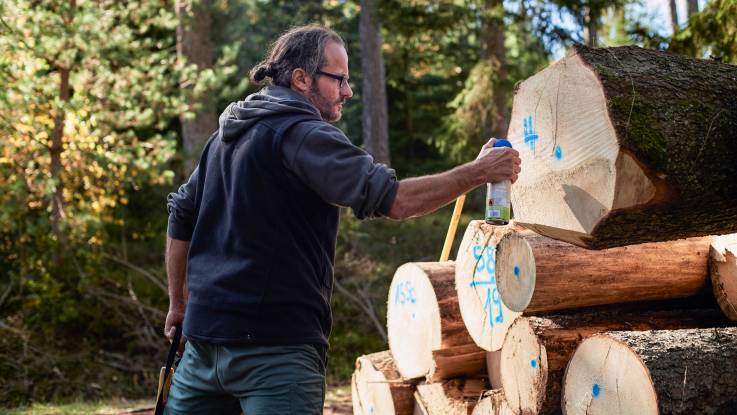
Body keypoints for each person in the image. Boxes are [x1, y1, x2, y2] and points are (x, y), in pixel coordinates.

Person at [164, 25, 520, 414]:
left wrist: (178, 306)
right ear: (301, 79)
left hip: (201, 345)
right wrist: (478, 172)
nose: (347, 92)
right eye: (339, 80)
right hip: (275, 354)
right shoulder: (302, 134)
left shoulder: (224, 137)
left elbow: (181, 214)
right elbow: (396, 201)